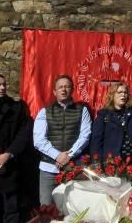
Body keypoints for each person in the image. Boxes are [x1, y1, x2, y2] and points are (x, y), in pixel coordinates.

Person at [0, 73, 31, 223]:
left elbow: (24, 134)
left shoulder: (16, 108)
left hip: (9, 166)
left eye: (4, 84)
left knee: (10, 209)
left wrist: (8, 154)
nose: (3, 88)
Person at [33, 75, 92, 204]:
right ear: (54, 91)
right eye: (60, 87)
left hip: (73, 168)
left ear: (73, 89)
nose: (63, 90)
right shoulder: (44, 112)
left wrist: (69, 155)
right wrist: (57, 156)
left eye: (67, 87)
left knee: (75, 209)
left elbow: (85, 136)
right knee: (47, 210)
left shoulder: (83, 111)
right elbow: (38, 140)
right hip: (49, 168)